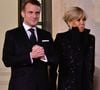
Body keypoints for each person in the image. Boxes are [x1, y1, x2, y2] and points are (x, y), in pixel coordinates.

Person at [2, 0, 56, 90]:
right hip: (20, 86)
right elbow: (7, 60)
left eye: (37, 13)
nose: (34, 16)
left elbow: (55, 58)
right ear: (23, 13)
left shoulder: (46, 34)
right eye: (30, 12)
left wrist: (44, 57)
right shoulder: (12, 34)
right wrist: (30, 56)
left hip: (43, 86)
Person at [50, 7, 95, 90]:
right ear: (69, 22)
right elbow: (54, 66)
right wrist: (52, 86)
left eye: (84, 19)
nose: (82, 22)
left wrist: (90, 84)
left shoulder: (90, 38)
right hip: (67, 85)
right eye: (78, 20)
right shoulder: (61, 38)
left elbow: (91, 65)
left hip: (85, 85)